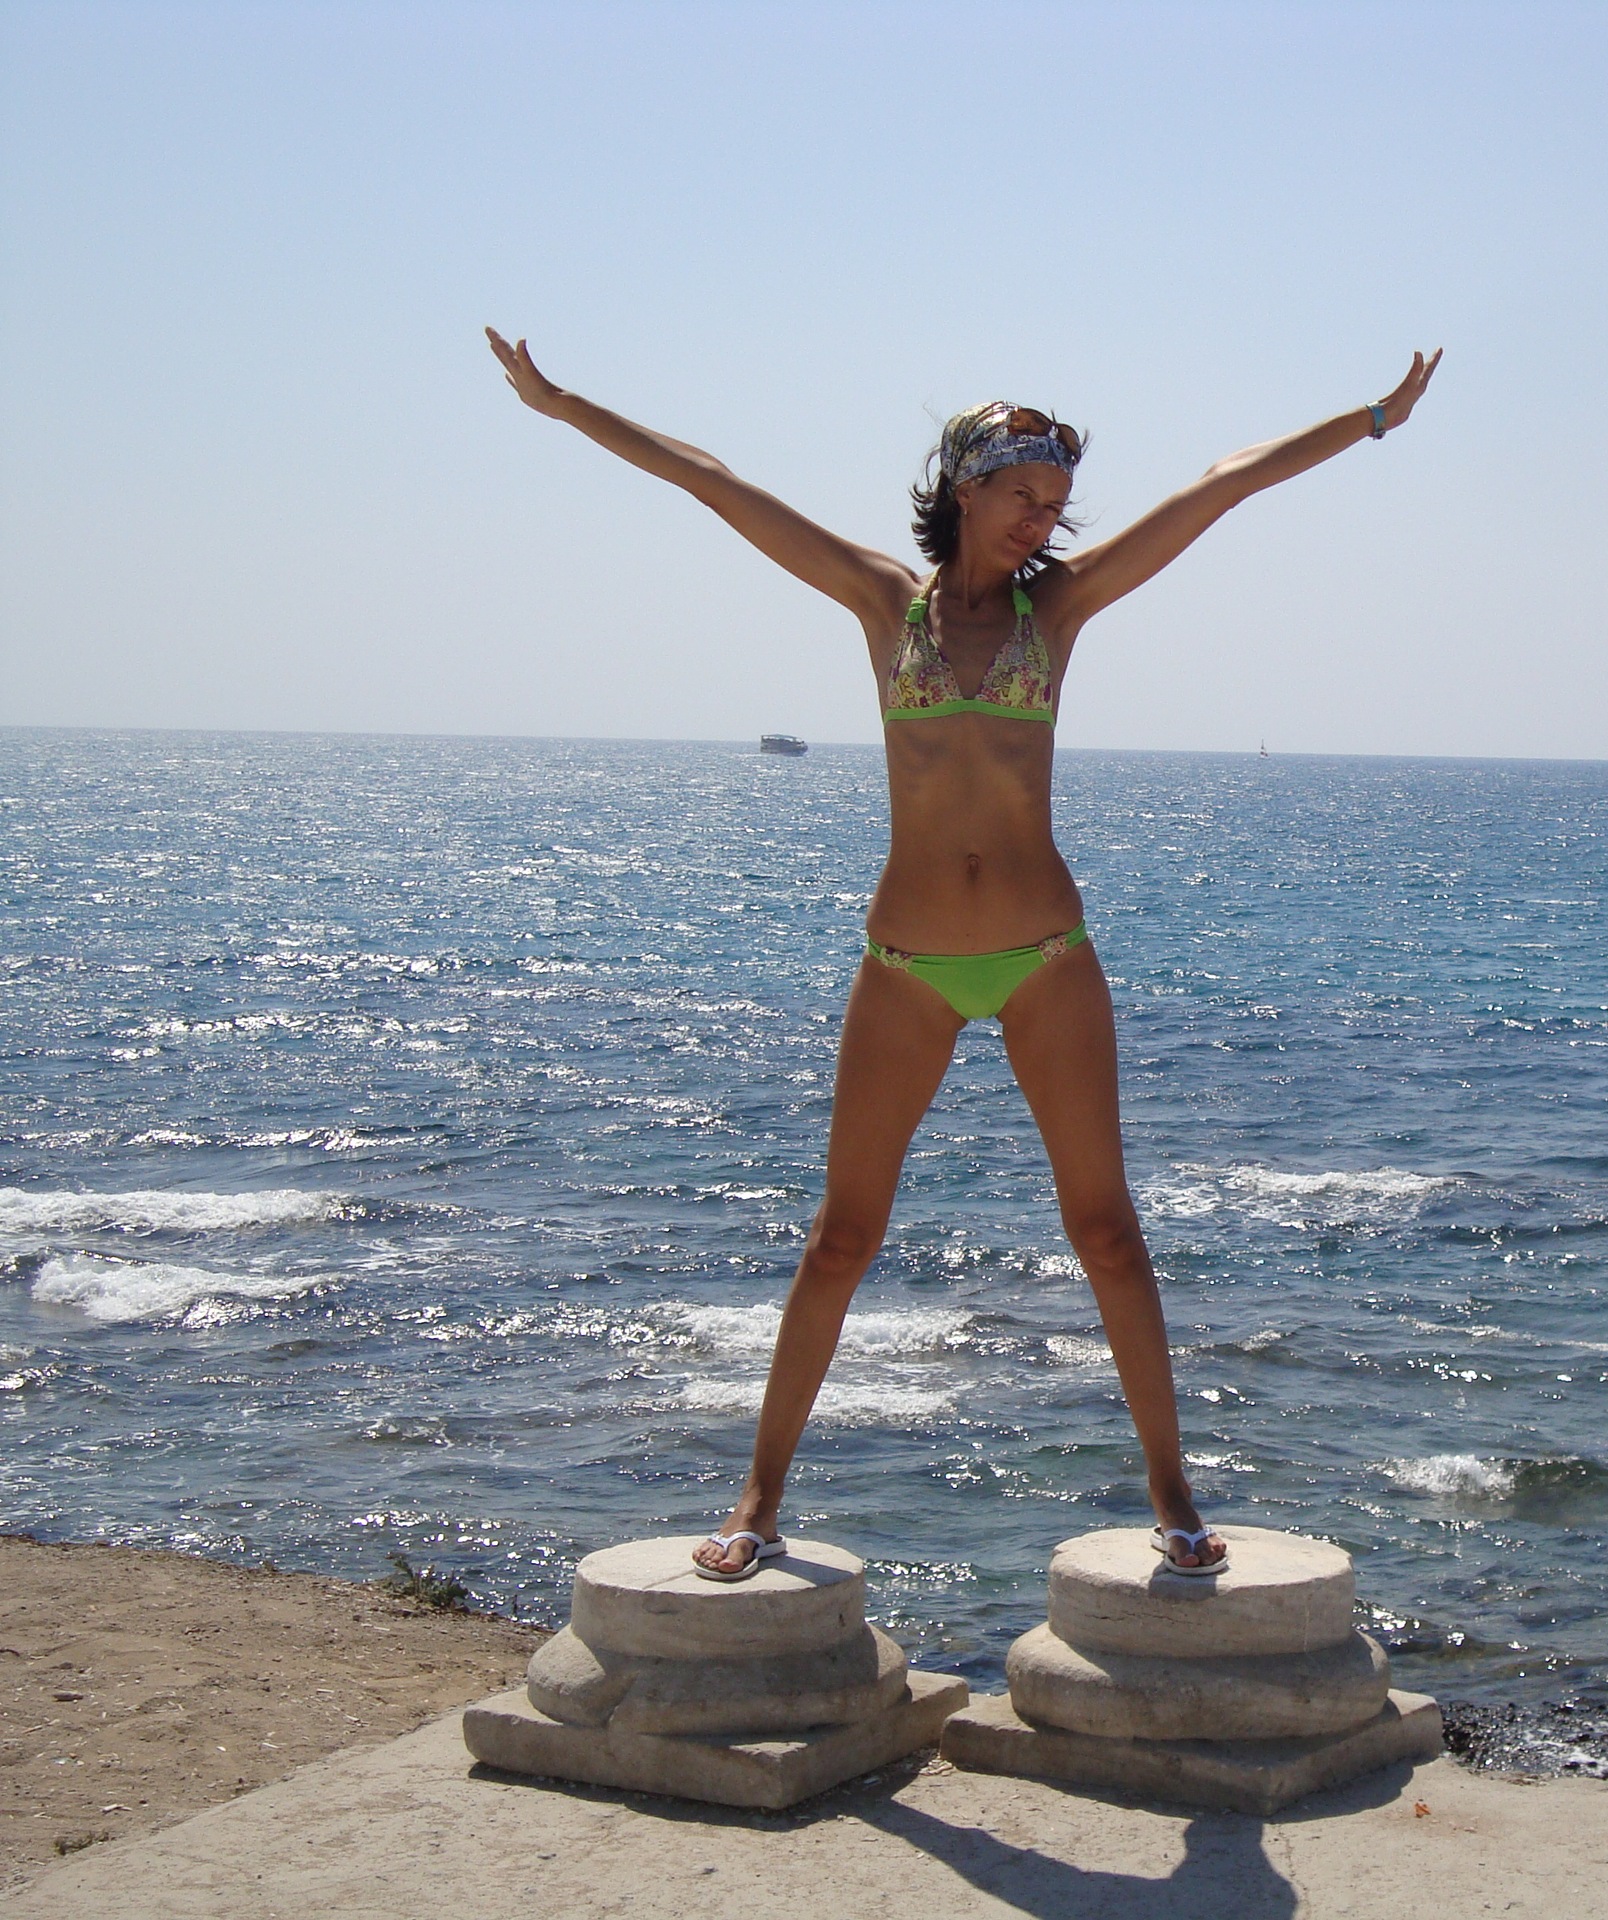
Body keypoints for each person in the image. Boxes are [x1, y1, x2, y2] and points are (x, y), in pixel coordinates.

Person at [486, 329, 1440, 1579]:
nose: (1040, 521)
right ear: (964, 489)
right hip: (907, 964)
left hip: (1047, 958)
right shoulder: (882, 602)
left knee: (1108, 1234)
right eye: (1021, 496)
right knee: (840, 1238)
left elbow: (1224, 485)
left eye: (1054, 502)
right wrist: (563, 404)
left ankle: (1173, 1494)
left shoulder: (1062, 606)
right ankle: (757, 1501)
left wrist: (1373, 417)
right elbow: (711, 481)